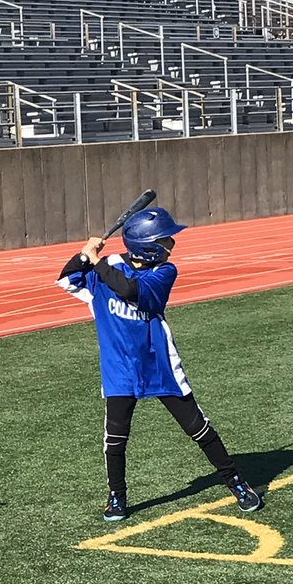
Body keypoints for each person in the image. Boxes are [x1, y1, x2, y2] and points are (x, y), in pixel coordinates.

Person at [56, 206, 264, 522]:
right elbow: (67, 279)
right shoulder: (107, 266)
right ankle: (117, 497)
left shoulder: (163, 273)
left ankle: (236, 482)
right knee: (115, 438)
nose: (172, 245)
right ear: (148, 247)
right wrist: (85, 255)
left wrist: (96, 262)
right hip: (120, 369)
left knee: (198, 427)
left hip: (158, 363)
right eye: (166, 240)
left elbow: (131, 291)